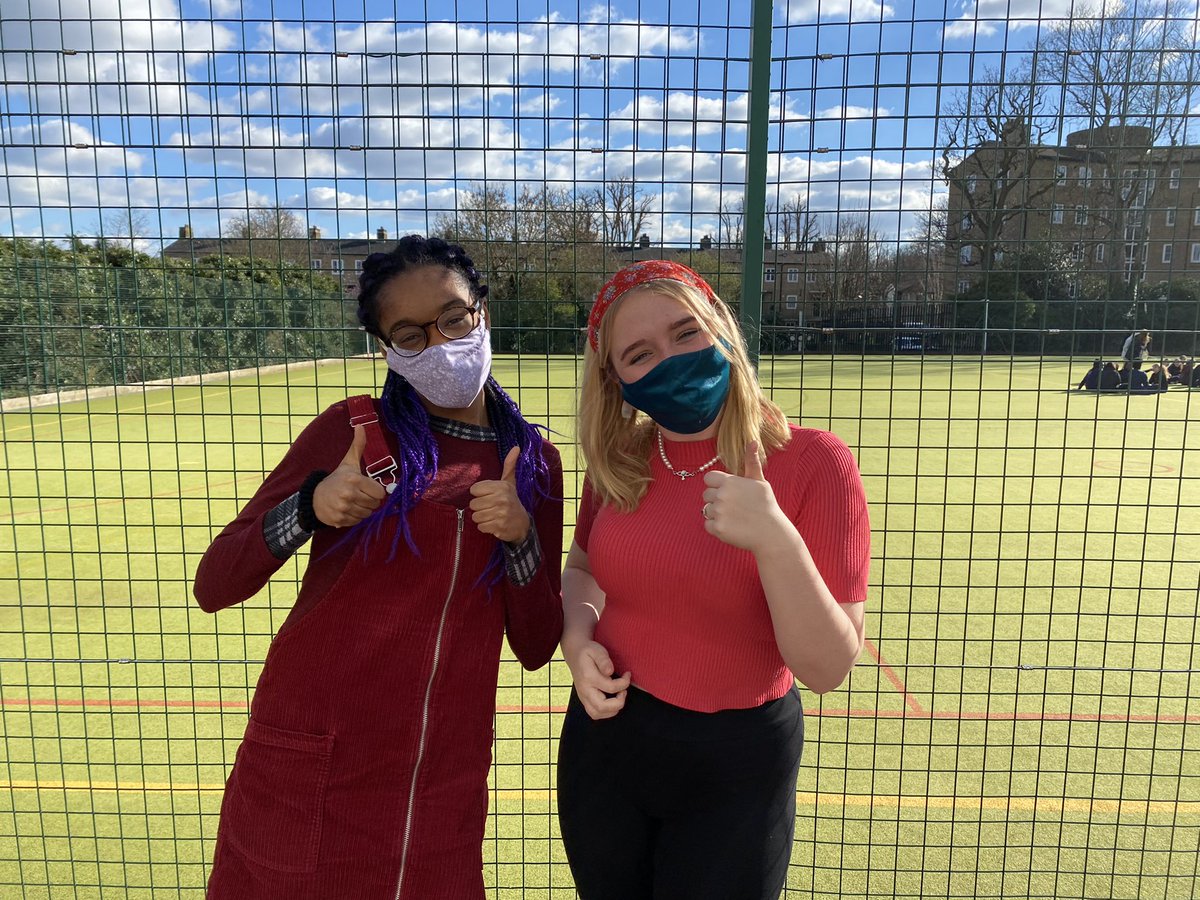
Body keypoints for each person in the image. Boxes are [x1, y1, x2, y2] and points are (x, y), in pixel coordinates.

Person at [192, 235, 564, 899]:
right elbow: (216, 583)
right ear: (386, 349)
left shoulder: (534, 464)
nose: (441, 341)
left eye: (453, 317)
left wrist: (520, 536)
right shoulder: (353, 431)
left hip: (440, 777)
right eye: (410, 333)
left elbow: (536, 645)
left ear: (481, 310)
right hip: (315, 761)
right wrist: (310, 505)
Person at [556, 260, 870, 900]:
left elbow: (828, 666)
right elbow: (582, 570)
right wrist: (577, 638)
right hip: (607, 744)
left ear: (722, 330)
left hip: (738, 761)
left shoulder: (815, 463)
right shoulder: (619, 466)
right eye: (640, 353)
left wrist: (774, 538)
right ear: (616, 382)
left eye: (687, 332)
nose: (671, 359)